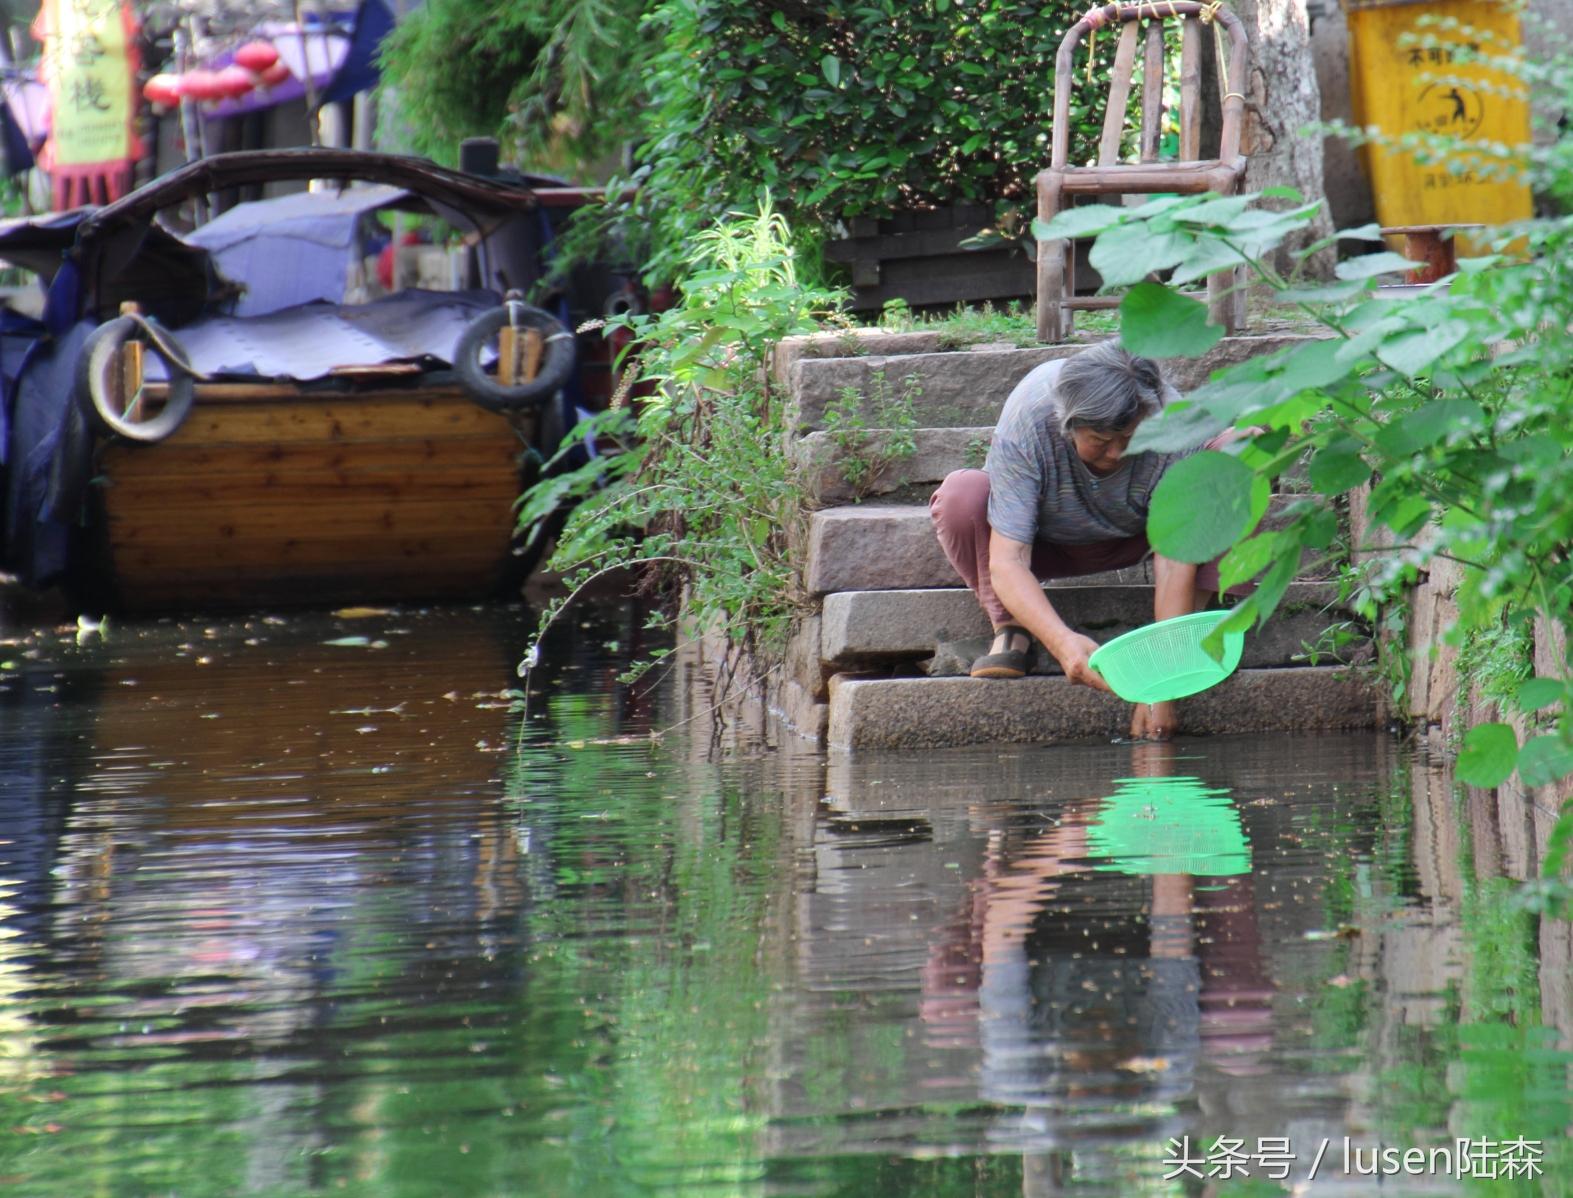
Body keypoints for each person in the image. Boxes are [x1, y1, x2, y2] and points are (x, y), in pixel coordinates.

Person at [929, 339, 1243, 741]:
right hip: (1044, 544)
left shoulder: (1170, 420)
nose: (1116, 453)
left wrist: (1162, 687)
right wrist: (1062, 643)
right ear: (1067, 422)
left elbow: (1174, 556)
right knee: (962, 496)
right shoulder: (1029, 416)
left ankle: (1196, 625)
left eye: (1130, 438)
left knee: (1241, 449)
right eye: (1100, 439)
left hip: (1139, 535)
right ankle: (1011, 625)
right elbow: (1007, 561)